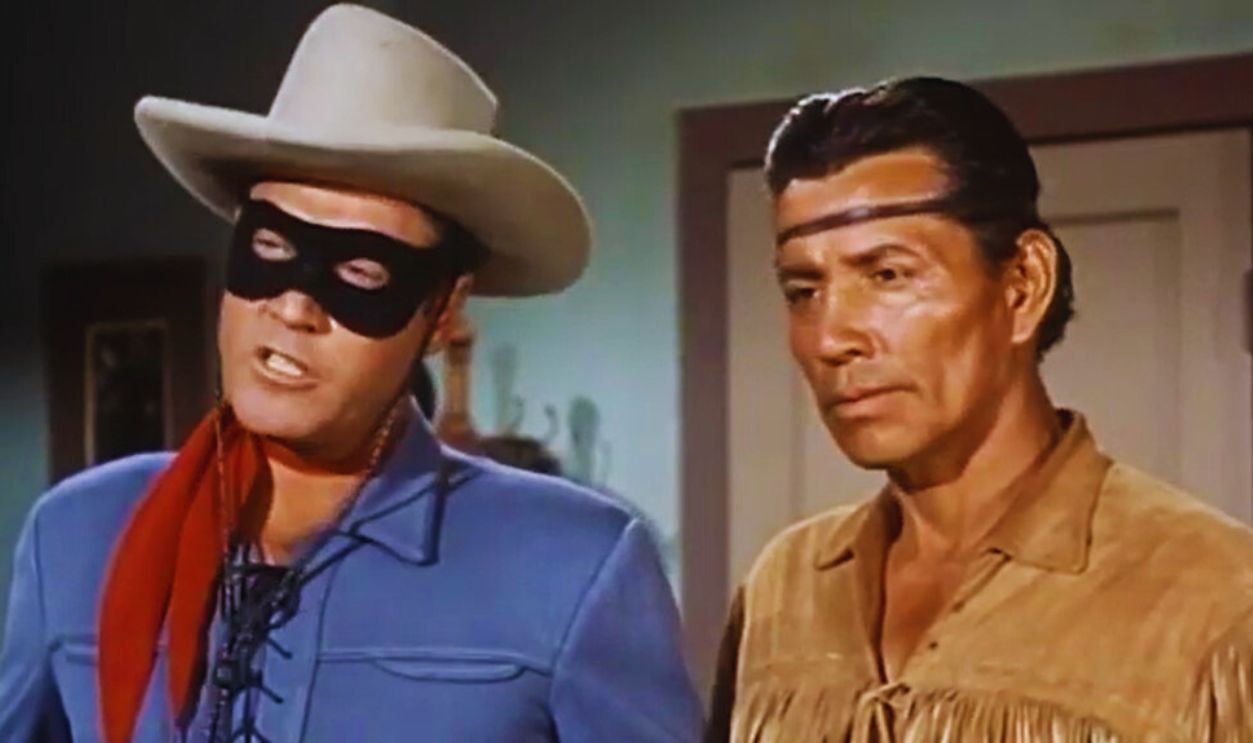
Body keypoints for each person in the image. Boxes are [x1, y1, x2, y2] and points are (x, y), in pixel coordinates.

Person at [0, 6, 701, 742]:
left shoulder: (570, 565)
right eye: (271, 248)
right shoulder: (77, 537)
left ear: (441, 313)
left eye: (361, 272)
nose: (293, 307)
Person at [706, 77, 1253, 741]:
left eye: (888, 275)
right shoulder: (783, 588)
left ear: (1023, 285)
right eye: (803, 290)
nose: (830, 339)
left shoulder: (1216, 596)